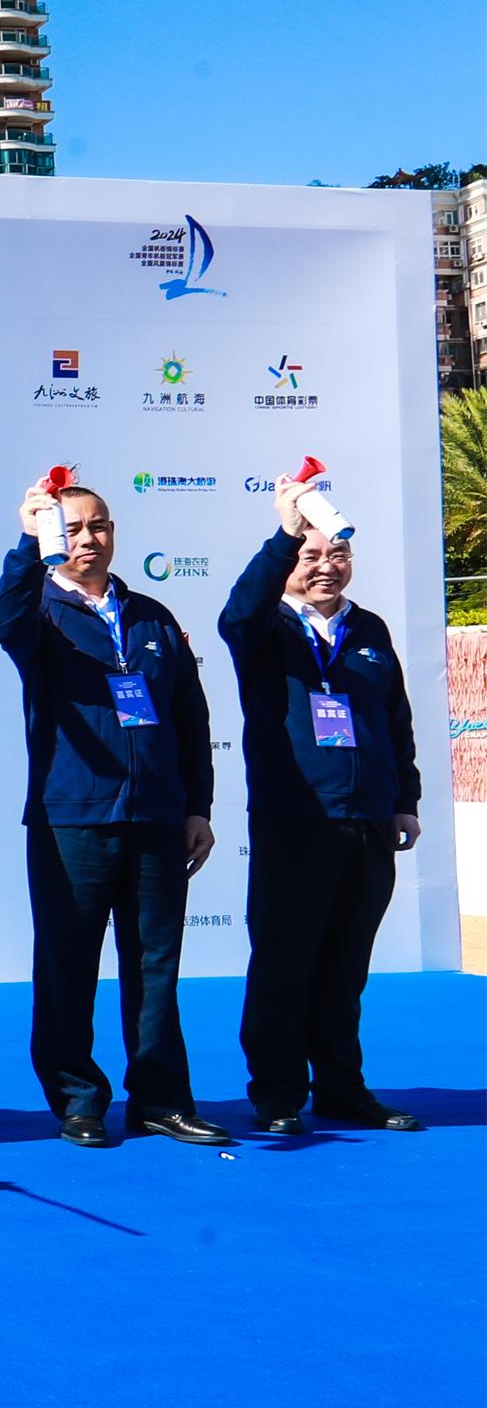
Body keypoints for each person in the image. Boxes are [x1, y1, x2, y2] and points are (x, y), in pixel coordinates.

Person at [0, 480, 227, 1148]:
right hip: (72, 818)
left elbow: (189, 717)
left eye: (98, 526)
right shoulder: (37, 610)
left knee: (154, 965)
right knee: (67, 963)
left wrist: (197, 807)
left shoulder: (150, 615)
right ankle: (77, 1100)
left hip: (157, 817)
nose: (87, 539)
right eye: (72, 528)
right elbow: (0, 621)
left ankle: (159, 1100)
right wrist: (27, 543)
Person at [220, 471, 425, 1135]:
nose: (325, 567)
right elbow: (238, 613)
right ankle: (277, 1093)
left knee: (344, 968)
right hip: (295, 820)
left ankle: (341, 1087)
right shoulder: (264, 629)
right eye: (310, 556)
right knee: (284, 962)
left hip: (366, 821)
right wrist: (285, 535)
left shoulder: (368, 629)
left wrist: (403, 799)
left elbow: (395, 722)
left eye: (336, 554)